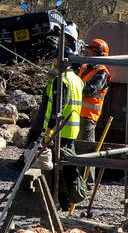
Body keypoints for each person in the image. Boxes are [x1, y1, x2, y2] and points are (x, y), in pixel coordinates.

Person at [24, 65, 86, 207]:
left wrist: (50, 128)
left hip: (60, 129)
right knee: (67, 165)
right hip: (72, 127)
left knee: (57, 167)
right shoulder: (77, 79)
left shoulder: (61, 80)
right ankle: (67, 199)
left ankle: (58, 199)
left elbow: (58, 106)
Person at [77, 38, 113, 148]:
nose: (86, 55)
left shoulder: (102, 73)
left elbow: (89, 91)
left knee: (85, 149)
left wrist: (72, 87)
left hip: (87, 117)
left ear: (98, 55)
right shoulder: (85, 68)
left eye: (89, 53)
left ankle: (87, 166)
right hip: (76, 114)